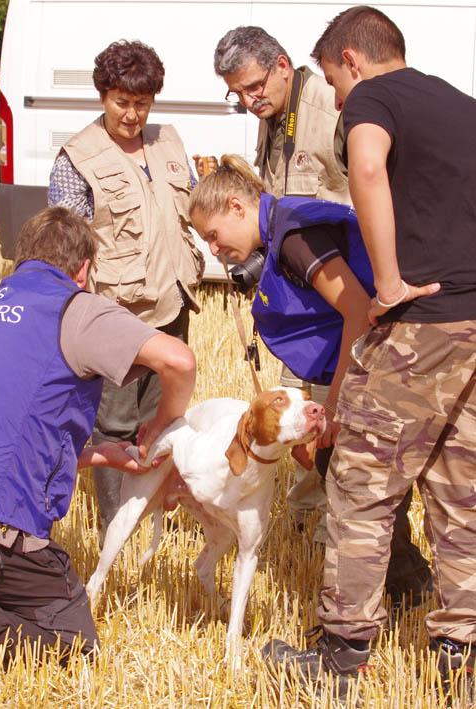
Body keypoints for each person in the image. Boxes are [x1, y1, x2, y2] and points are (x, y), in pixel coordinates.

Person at [261, 5, 476, 689]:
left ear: (350, 59)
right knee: (459, 494)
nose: (336, 97)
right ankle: (460, 657)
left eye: (332, 82)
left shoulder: (375, 95)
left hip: (419, 323)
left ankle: (339, 655)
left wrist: (386, 281)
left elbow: (368, 168)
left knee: (358, 485)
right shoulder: (460, 104)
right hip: (472, 321)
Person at [211, 28, 428, 587]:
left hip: (341, 295)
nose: (249, 100)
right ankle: (324, 531)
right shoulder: (273, 116)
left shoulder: (328, 110)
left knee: (342, 440)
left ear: (283, 65)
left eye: (254, 87)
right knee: (309, 423)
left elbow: (357, 196)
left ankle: (357, 554)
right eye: (238, 94)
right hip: (308, 298)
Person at [0, 207, 196, 660]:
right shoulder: (74, 309)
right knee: (72, 641)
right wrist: (161, 426)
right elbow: (179, 361)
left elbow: (7, 436)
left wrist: (103, 455)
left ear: (22, 261)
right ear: (83, 270)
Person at [48, 40, 204, 541]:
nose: (132, 114)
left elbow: (194, 211)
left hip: (171, 306)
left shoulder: (169, 142)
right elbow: (64, 246)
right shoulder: (78, 157)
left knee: (164, 419)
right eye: (121, 102)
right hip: (112, 316)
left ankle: (158, 515)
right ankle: (116, 527)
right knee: (113, 426)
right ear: (103, 96)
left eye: (142, 103)